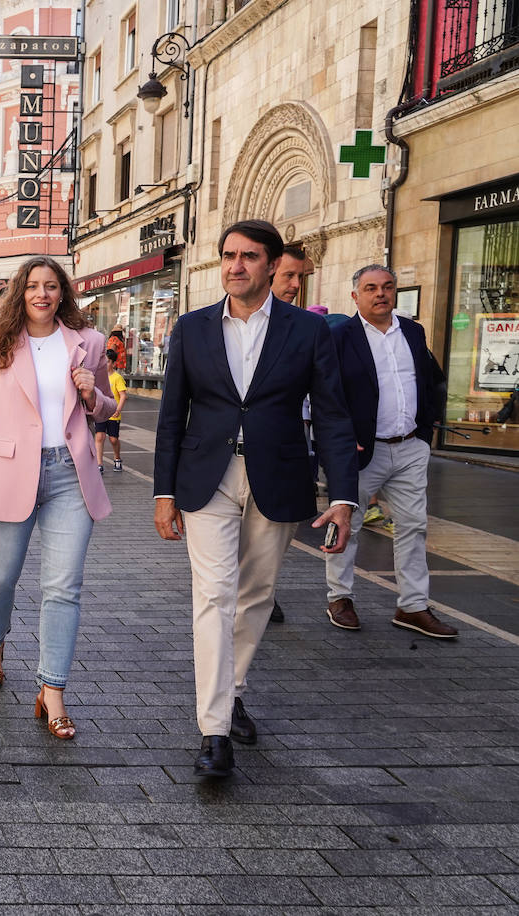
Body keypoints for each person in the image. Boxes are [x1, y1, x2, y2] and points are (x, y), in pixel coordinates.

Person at [153, 219, 357, 778]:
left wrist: (344, 496)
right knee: (213, 595)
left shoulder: (308, 332)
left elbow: (334, 417)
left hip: (278, 473)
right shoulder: (192, 329)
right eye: (227, 255)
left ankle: (233, 685)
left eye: (247, 256)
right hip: (207, 477)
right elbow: (171, 416)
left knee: (257, 594)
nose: (234, 265)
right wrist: (164, 492)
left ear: (272, 266)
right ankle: (213, 729)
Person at [0, 257, 114, 739]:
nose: (42, 294)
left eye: (51, 286)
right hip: (7, 472)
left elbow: (107, 408)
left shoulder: (86, 343)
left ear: (62, 293)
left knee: (62, 587)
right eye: (33, 286)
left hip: (70, 473)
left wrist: (92, 393)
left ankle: (53, 691)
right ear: (19, 293)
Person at [324, 265, 454, 637]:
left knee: (414, 526)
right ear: (355, 296)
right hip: (363, 450)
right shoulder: (341, 337)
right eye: (370, 288)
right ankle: (340, 597)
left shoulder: (412, 331)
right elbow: (326, 395)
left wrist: (426, 428)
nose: (380, 294)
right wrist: (343, 436)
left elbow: (431, 381)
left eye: (387, 287)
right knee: (348, 523)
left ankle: (412, 606)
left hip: (410, 446)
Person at [262, 245, 312, 625]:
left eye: (301, 277)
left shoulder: (306, 329)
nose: (296, 285)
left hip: (281, 455)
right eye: (289, 276)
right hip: (219, 460)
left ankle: (265, 593)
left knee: (266, 553)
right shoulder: (208, 324)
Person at [93, 348, 127, 473]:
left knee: (113, 439)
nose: (105, 364)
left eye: (107, 362)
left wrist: (118, 409)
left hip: (113, 414)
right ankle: (99, 463)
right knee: (99, 436)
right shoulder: (98, 377)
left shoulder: (117, 378)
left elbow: (123, 395)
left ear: (113, 363)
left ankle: (117, 458)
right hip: (101, 413)